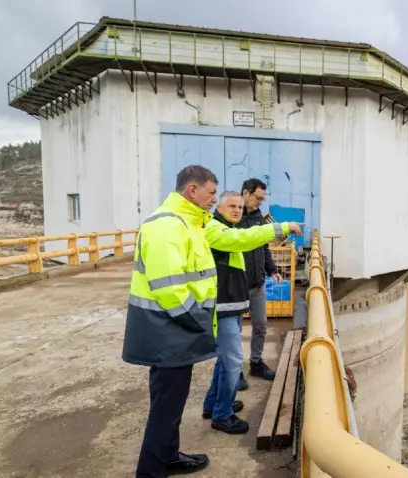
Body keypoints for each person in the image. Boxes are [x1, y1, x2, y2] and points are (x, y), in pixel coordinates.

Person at [123, 165, 299, 477]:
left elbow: (241, 238)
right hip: (169, 330)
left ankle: (168, 455)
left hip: (175, 331)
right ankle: (151, 471)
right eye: (211, 194)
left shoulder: (194, 223)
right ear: (192, 191)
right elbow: (170, 289)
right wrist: (200, 322)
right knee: (165, 408)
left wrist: (276, 229)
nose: (213, 200)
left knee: (171, 404)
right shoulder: (168, 226)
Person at [202, 191, 302, 435]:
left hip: (232, 303)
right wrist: (281, 228)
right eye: (231, 206)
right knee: (233, 361)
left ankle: (213, 404)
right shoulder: (217, 229)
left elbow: (249, 243)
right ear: (220, 208)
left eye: (238, 206)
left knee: (225, 359)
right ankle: (222, 414)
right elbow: (244, 239)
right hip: (223, 305)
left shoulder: (225, 228)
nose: (236, 210)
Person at [236, 178, 282, 390]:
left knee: (261, 324)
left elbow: (264, 248)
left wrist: (272, 270)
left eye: (263, 199)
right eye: (258, 198)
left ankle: (256, 363)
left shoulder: (257, 218)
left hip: (257, 282)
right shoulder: (233, 216)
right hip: (236, 284)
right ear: (246, 193)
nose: (260, 203)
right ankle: (235, 371)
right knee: (234, 330)